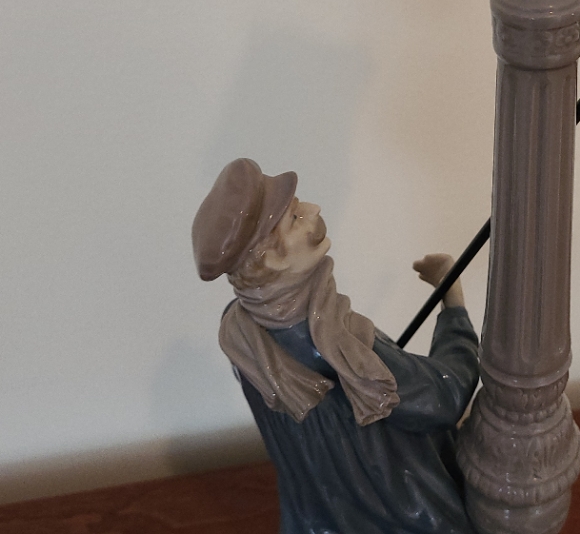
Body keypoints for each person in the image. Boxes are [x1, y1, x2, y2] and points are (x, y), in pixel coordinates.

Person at [192, 158, 480, 534]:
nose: (314, 210)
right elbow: (443, 396)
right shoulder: (335, 344)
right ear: (274, 258)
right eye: (296, 217)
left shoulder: (241, 332)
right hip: (403, 519)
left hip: (315, 521)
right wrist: (452, 302)